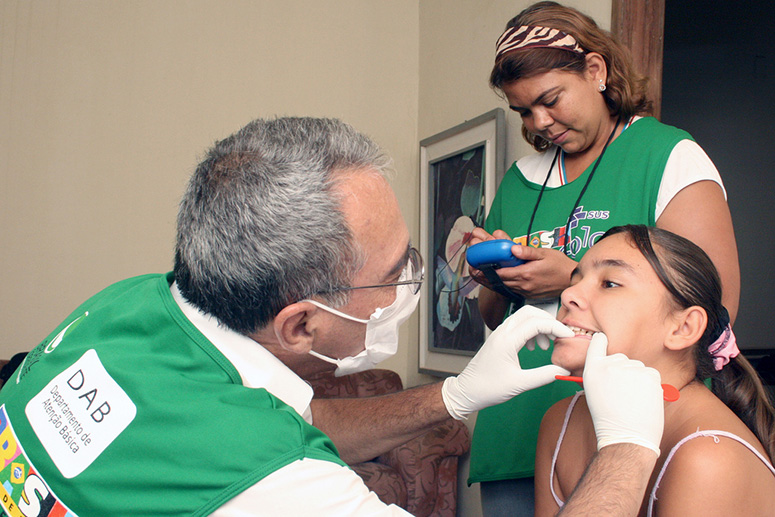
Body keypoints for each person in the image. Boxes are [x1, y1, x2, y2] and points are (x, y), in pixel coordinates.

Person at [0, 116, 666, 515]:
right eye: (392, 273)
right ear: (300, 324)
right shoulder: (282, 491)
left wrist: (453, 396)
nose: (413, 279)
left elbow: (289, 419)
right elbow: (269, 454)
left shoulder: (127, 304)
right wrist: (630, 449)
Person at [467, 3, 740, 513]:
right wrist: (499, 280)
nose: (540, 122)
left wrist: (567, 275)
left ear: (596, 71)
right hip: (516, 426)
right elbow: (493, 317)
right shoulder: (521, 176)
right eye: (524, 111)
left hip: (627, 432)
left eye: (550, 100)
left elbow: (712, 309)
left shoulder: (667, 155)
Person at [536, 224, 775, 515]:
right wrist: (461, 399)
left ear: (683, 327)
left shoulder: (709, 457)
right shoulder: (560, 421)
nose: (568, 295)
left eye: (609, 283)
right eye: (575, 279)